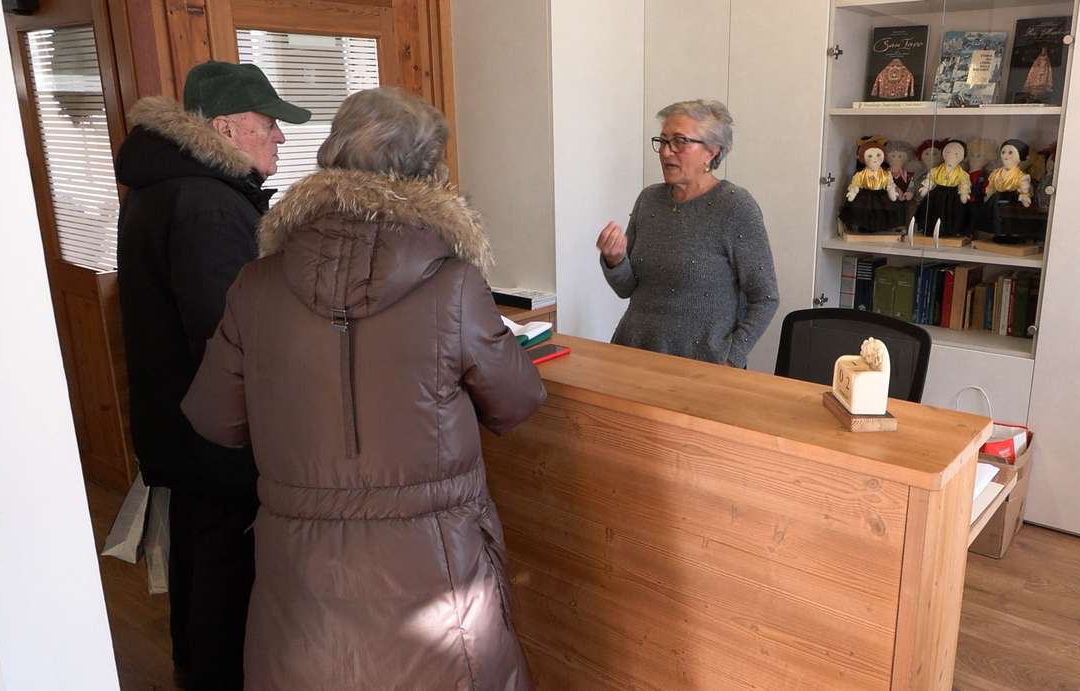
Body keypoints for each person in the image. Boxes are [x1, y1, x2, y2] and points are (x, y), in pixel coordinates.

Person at [181, 87, 544, 690]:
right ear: (429, 174)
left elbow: (215, 417)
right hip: (435, 574)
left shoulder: (255, 283)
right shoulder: (454, 285)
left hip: (301, 577)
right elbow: (518, 401)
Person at [115, 60, 311, 690]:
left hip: (180, 420)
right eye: (268, 123)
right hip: (215, 429)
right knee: (226, 568)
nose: (279, 135)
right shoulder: (207, 206)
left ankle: (193, 668)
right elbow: (229, 333)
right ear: (225, 128)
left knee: (200, 555)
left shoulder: (167, 187)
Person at [596, 99, 778, 367]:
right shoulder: (649, 200)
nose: (666, 152)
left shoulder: (736, 206)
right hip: (633, 355)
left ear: (711, 152)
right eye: (663, 141)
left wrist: (731, 358)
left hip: (702, 367)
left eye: (679, 141)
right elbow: (628, 289)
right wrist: (615, 260)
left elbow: (765, 297)